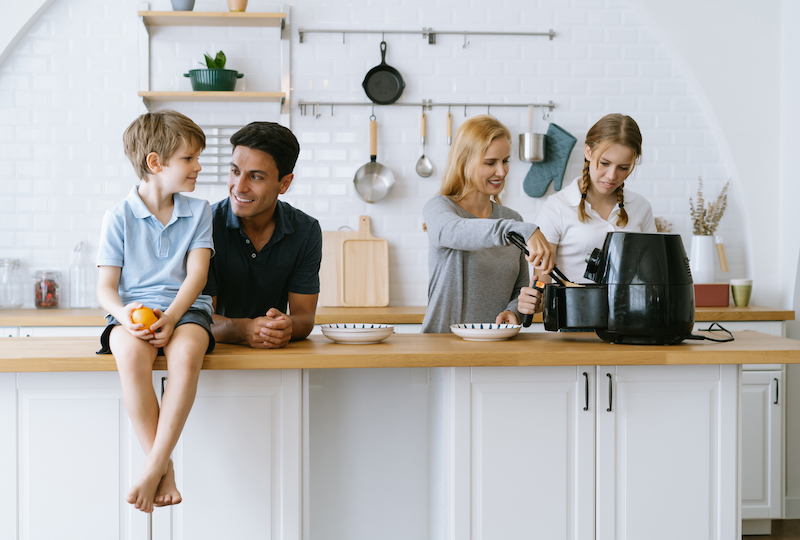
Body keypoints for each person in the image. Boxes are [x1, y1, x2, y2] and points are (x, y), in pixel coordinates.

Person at [96, 110, 215, 513]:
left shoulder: (200, 212)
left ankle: (152, 468)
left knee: (186, 354)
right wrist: (125, 313)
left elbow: (197, 276)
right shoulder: (118, 217)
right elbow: (105, 290)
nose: (198, 167)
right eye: (189, 158)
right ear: (155, 162)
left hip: (187, 309)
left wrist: (173, 316)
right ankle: (162, 469)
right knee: (128, 354)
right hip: (134, 314)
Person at [421, 115, 554, 333]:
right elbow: (456, 231)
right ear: (464, 162)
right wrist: (524, 230)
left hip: (496, 347)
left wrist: (514, 311)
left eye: (505, 161)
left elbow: (519, 289)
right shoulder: (439, 208)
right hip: (443, 346)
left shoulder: (512, 219)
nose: (501, 172)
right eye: (490, 163)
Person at [204, 121, 322, 348]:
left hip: (276, 358)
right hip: (215, 358)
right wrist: (244, 329)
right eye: (234, 171)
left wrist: (286, 326)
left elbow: (305, 317)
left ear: (284, 183)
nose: (239, 187)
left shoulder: (306, 230)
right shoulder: (205, 226)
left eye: (255, 177)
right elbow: (200, 318)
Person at [532, 113, 657, 289]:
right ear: (588, 152)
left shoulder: (641, 207)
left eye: (623, 168)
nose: (612, 176)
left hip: (630, 315)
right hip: (573, 314)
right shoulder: (556, 207)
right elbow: (541, 284)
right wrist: (534, 297)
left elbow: (651, 275)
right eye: (605, 163)